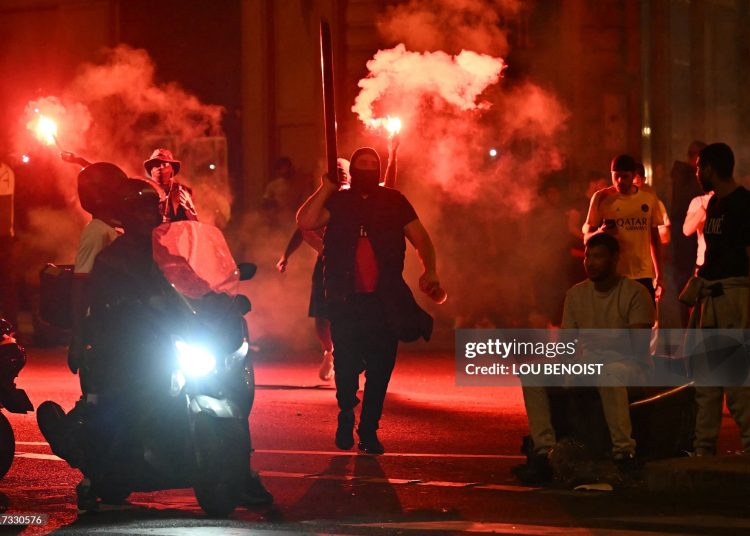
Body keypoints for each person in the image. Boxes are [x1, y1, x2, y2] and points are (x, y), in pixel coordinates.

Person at [296, 146, 438, 455]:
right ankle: (346, 412)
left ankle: (369, 430)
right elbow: (306, 222)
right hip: (346, 300)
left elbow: (421, 238)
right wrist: (326, 188)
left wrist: (431, 271)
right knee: (346, 367)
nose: (369, 168)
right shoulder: (339, 200)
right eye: (363, 163)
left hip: (384, 300)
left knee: (380, 368)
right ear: (354, 169)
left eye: (374, 164)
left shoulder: (394, 201)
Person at [517, 233, 655, 483]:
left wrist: (608, 341)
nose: (590, 262)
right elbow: (566, 347)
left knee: (607, 373)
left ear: (615, 259)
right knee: (531, 373)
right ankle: (545, 452)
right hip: (590, 364)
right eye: (588, 256)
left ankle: (624, 453)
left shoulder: (635, 292)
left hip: (630, 366)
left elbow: (640, 347)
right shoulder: (576, 294)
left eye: (598, 256)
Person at [683, 142, 750, 456]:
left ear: (710, 168)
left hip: (733, 297)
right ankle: (703, 448)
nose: (696, 173)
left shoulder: (743, 203)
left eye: (698, 167)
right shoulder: (712, 204)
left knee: (738, 384)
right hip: (710, 297)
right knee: (705, 382)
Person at [277, 159, 352, 382]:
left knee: (352, 312)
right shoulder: (322, 198)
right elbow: (303, 226)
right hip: (325, 263)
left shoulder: (355, 198)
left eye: (342, 171)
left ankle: (351, 356)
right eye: (335, 171)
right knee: (321, 315)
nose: (339, 175)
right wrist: (286, 255)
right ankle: (329, 351)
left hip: (351, 264)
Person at [67, 163, 127, 384]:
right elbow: (81, 284)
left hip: (124, 322)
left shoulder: (117, 229)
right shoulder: (96, 231)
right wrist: (79, 337)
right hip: (104, 325)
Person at [583, 154, 665, 302]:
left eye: (625, 176)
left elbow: (655, 238)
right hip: (613, 275)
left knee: (643, 322)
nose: (620, 181)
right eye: (616, 176)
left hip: (643, 275)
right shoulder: (601, 198)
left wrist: (659, 275)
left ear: (634, 175)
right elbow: (586, 239)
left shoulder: (648, 198)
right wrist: (600, 232)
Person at [671, 141, 707, 294]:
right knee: (685, 278)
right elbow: (682, 201)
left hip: (691, 229)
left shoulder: (687, 175)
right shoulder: (683, 175)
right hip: (683, 230)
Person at [143, 148, 198, 222]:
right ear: (151, 170)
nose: (161, 167)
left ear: (172, 169)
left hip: (178, 232)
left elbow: (194, 224)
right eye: (156, 164)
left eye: (164, 164)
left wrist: (189, 209)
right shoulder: (144, 191)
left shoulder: (183, 191)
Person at [0, 156, 17, 327]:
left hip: (3, 237)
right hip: (4, 237)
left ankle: (11, 328)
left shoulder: (5, 173)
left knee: (7, 285)